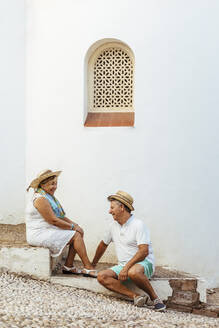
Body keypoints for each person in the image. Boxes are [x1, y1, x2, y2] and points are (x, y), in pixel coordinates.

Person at [92, 190, 166, 310]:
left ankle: (155, 299)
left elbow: (143, 251)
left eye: (112, 208)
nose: (109, 211)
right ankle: (136, 297)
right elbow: (102, 245)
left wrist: (126, 268)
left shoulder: (138, 225)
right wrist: (92, 264)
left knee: (133, 272)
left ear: (121, 207)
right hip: (123, 266)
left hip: (143, 263)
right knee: (102, 276)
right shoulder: (112, 226)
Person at [26, 169, 97, 278]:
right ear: (43, 184)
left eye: (55, 183)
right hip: (38, 234)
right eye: (51, 184)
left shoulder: (47, 196)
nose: (54, 187)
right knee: (75, 235)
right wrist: (73, 227)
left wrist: (76, 226)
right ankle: (88, 267)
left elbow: (61, 217)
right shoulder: (40, 199)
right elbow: (53, 220)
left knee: (77, 232)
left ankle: (68, 266)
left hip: (46, 230)